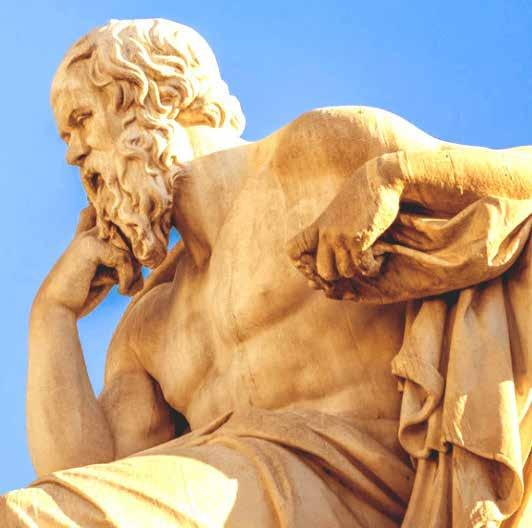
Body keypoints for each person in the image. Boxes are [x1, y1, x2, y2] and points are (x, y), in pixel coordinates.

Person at [2, 18, 530, 527]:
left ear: (155, 99)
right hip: (237, 489)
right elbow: (81, 477)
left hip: (362, 487)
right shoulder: (151, 325)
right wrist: (52, 314)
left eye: (81, 120)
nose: (73, 155)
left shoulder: (312, 155)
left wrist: (396, 176)